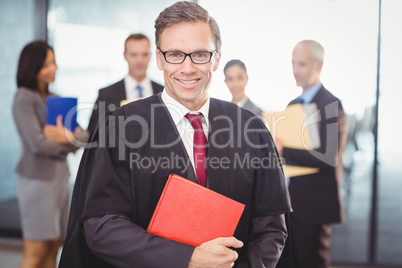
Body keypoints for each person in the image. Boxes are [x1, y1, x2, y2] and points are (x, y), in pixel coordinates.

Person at [58, 2, 292, 268]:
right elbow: (102, 225)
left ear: (216, 58)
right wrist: (187, 259)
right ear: (158, 58)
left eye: (200, 54)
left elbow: (271, 226)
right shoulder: (120, 127)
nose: (188, 68)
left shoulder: (251, 128)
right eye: (175, 55)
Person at [276, 40, 348, 268]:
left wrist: (283, 150)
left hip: (314, 205)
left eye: (302, 64)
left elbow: (328, 157)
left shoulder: (331, 104)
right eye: (293, 63)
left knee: (312, 262)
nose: (296, 70)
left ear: (319, 65)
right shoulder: (292, 105)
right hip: (290, 203)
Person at [12, 41, 83, 268]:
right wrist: (69, 139)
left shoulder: (55, 99)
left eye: (53, 61)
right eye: (46, 64)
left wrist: (61, 136)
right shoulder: (24, 97)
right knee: (36, 249)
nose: (53, 67)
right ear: (32, 68)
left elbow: (84, 137)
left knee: (54, 245)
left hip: (59, 179)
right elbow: (37, 144)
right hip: (37, 182)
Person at [87, 33, 164, 134]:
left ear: (151, 56)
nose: (139, 60)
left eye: (144, 54)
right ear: (125, 55)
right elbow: (94, 134)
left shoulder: (164, 92)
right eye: (134, 55)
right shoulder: (106, 94)